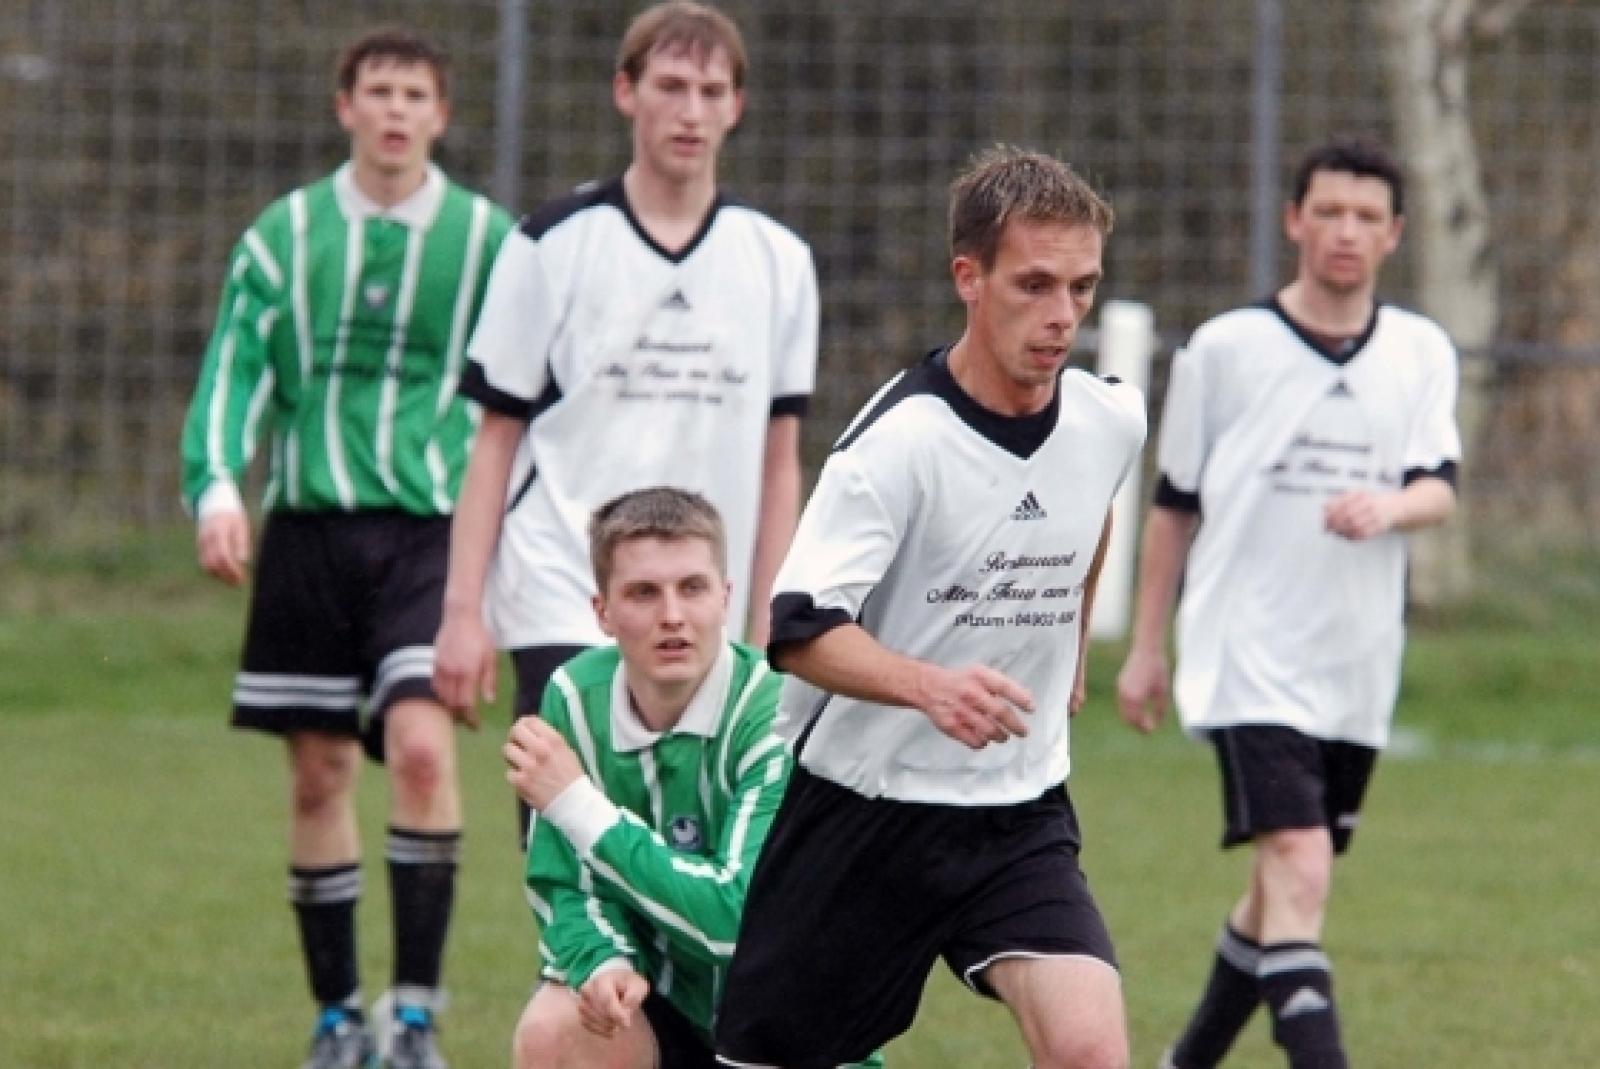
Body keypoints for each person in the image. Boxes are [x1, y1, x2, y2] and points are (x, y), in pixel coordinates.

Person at [714, 146, 1147, 1069]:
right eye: (1035, 284)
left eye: (1082, 286)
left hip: (1017, 810)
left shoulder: (1109, 419)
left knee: (1091, 1051)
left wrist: (1070, 644)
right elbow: (797, 630)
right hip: (864, 807)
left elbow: (1092, 506)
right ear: (969, 277)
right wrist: (930, 688)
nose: (1063, 314)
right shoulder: (898, 444)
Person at [178, 26, 512, 1069]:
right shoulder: (284, 237)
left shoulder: (487, 242)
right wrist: (217, 488)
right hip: (310, 532)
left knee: (421, 749)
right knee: (320, 773)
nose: (396, 110)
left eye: (415, 93)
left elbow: (527, 397)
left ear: (440, 115)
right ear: (346, 107)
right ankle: (337, 1019)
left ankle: (413, 1018)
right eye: (379, 91)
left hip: (430, 535)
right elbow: (236, 370)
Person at [1115, 137, 1460, 1069]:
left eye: (1366, 216)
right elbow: (1172, 507)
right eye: (1329, 211)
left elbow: (1439, 486)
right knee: (1300, 864)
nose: (1346, 230)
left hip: (1355, 665)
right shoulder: (1226, 349)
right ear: (1294, 220)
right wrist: (1147, 646)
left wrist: (1389, 506)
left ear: (1393, 234)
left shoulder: (1421, 350)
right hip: (1247, 650)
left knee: (1284, 888)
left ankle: (1185, 1059)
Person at [434, 0, 819, 818]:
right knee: (567, 839)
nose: (690, 111)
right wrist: (462, 614)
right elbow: (494, 441)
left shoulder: (780, 261)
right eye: (670, 86)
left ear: (737, 106)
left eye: (710, 91)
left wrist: (769, 624)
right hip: (561, 585)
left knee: (689, 849)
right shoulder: (550, 242)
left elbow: (779, 460)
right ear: (625, 92)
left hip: (700, 600)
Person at [500, 487, 793, 1069]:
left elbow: (736, 921)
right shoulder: (574, 699)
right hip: (659, 1001)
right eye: (643, 593)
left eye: (692, 588)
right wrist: (604, 961)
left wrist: (578, 805)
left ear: (726, 598)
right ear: (602, 612)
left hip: (783, 1020)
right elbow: (566, 884)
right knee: (556, 1031)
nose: (672, 616)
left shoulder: (776, 711)